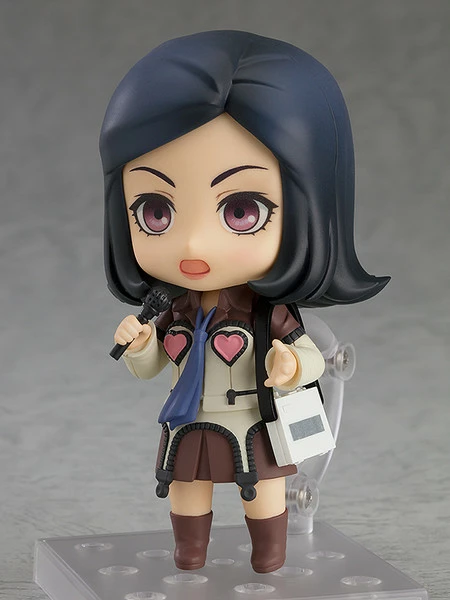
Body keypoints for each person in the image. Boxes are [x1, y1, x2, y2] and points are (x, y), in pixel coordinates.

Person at [100, 31, 389, 574]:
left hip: (253, 417)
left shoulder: (265, 312)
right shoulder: (173, 307)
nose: (193, 244)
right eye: (156, 212)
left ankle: (269, 553)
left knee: (263, 488)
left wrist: (291, 365)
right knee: (186, 485)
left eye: (240, 211)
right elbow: (153, 366)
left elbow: (310, 355)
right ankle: (189, 551)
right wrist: (139, 346)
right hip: (187, 420)